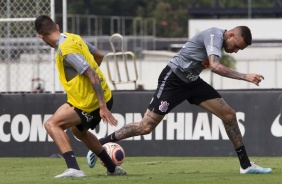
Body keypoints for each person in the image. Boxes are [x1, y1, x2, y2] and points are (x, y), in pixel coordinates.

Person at [87, 26, 272, 174]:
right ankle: (99, 145)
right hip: (173, 79)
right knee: (146, 126)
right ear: (231, 35)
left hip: (192, 82)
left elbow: (206, 64)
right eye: (237, 46)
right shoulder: (215, 36)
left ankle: (246, 166)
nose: (236, 51)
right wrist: (245, 76)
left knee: (229, 115)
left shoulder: (220, 43)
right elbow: (215, 67)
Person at [34, 15, 126, 178]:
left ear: (41, 36)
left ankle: (74, 168)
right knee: (78, 132)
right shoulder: (72, 37)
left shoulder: (65, 49)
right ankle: (112, 168)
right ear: (57, 26)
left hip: (91, 102)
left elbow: (91, 74)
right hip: (95, 96)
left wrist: (102, 106)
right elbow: (99, 55)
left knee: (52, 124)